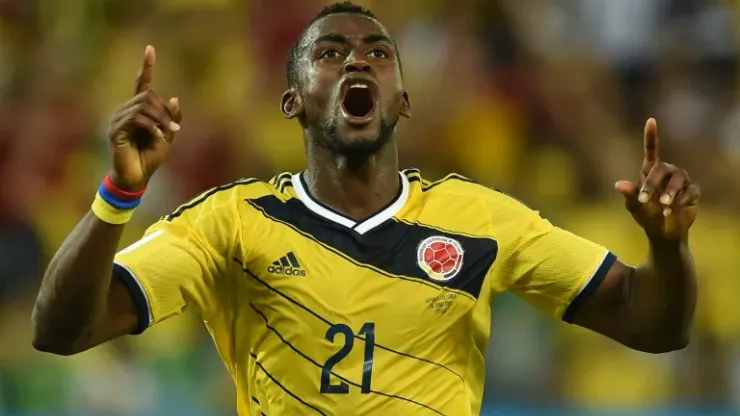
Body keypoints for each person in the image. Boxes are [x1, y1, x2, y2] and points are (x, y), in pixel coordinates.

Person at [31, 2, 700, 415]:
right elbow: (61, 330)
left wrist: (669, 248)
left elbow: (653, 325)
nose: (357, 63)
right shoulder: (228, 224)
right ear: (293, 101)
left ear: (402, 100)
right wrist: (118, 195)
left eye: (378, 54)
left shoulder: (483, 220)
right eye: (330, 54)